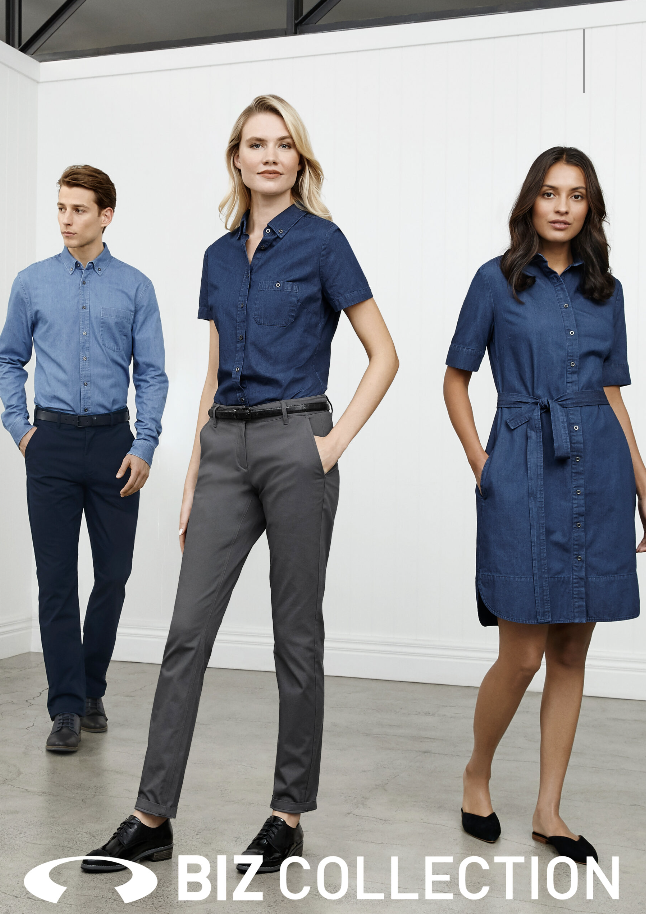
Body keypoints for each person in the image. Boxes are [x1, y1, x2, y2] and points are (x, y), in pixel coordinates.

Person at [83, 95, 398, 874]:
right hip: (224, 443)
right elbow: (215, 371)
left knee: (296, 637)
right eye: (256, 144)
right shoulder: (219, 256)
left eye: (283, 145)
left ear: (300, 159)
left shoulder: (324, 244)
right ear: (236, 157)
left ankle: (286, 815)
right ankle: (151, 814)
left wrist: (330, 446)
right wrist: (194, 469)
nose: (269, 156)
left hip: (298, 441)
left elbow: (384, 354)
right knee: (187, 632)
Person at [444, 147, 645, 864]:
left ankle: (549, 810)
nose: (563, 206)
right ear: (530, 200)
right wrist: (481, 460)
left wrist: (645, 488)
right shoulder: (494, 283)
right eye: (551, 192)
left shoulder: (607, 290)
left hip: (599, 470)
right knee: (522, 653)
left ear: (591, 208)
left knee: (570, 650)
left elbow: (614, 394)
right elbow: (456, 379)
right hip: (523, 465)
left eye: (578, 195)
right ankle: (477, 773)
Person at [0, 165, 168, 752]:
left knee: (113, 575)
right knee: (55, 579)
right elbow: (7, 361)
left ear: (106, 215)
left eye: (78, 209)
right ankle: (66, 706)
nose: (67, 220)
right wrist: (21, 430)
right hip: (49, 445)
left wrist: (144, 443)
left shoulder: (134, 286)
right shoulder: (31, 283)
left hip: (113, 445)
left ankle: (92, 683)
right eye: (61, 209)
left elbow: (151, 374)